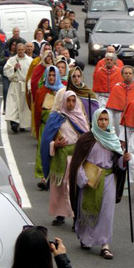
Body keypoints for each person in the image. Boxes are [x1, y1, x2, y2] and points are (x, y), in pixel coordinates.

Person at [69, 108, 131, 259]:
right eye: (100, 120)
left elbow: (118, 163)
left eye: (106, 120)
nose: (103, 123)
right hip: (90, 178)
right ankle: (86, 239)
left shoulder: (113, 139)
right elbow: (77, 162)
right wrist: (83, 179)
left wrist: (124, 159)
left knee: (106, 212)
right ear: (95, 121)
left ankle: (105, 245)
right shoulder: (86, 139)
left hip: (108, 178)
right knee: (87, 209)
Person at [41, 91, 89, 227]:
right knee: (59, 188)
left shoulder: (80, 117)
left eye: (74, 101)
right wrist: (55, 144)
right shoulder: (56, 117)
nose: (71, 104)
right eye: (68, 100)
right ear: (63, 101)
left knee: (73, 188)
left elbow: (86, 138)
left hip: (75, 158)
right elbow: (46, 141)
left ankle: (76, 217)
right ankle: (60, 214)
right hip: (59, 158)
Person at [34, 66, 65, 187]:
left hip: (59, 128)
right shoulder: (41, 91)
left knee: (58, 151)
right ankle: (44, 176)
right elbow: (37, 112)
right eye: (49, 75)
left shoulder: (63, 91)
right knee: (44, 149)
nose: (51, 77)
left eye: (54, 75)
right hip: (45, 126)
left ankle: (56, 175)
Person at [4, 43, 33, 133]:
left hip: (25, 86)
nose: (20, 51)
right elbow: (6, 71)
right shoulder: (12, 60)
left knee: (23, 107)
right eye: (19, 50)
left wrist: (30, 86)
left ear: (25, 50)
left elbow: (32, 74)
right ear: (16, 50)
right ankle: (14, 123)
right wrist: (14, 69)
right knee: (13, 105)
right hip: (15, 85)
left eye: (22, 50)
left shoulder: (30, 60)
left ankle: (22, 125)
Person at [106, 65, 134, 136]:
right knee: (119, 135)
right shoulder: (117, 87)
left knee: (131, 136)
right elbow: (110, 107)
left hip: (133, 116)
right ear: (122, 75)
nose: (128, 75)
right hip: (118, 115)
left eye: (130, 73)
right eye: (126, 73)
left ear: (133, 75)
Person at [0, 39, 18, 115]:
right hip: (6, 74)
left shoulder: (17, 54)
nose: (14, 47)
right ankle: (5, 108)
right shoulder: (5, 52)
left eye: (15, 45)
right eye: (13, 45)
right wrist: (5, 60)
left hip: (14, 75)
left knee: (14, 93)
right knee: (6, 90)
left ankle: (13, 108)